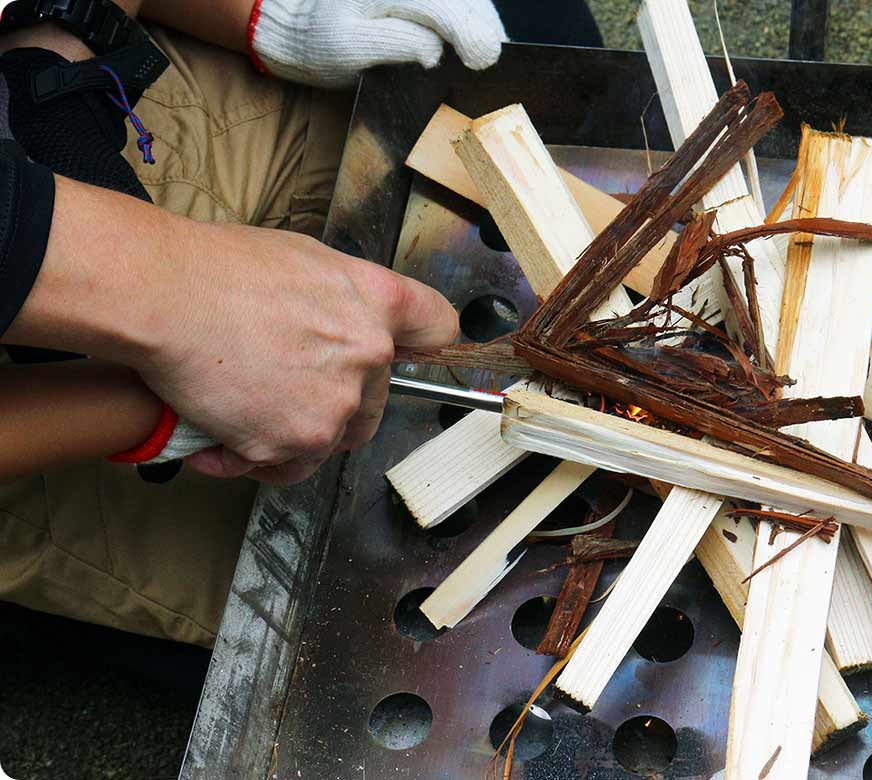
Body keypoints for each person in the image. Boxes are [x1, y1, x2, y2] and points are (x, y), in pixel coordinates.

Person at [0, 0, 603, 647]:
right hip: (42, 418)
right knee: (350, 616)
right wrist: (157, 407)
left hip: (124, 85)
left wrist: (264, 19)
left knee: (537, 35)